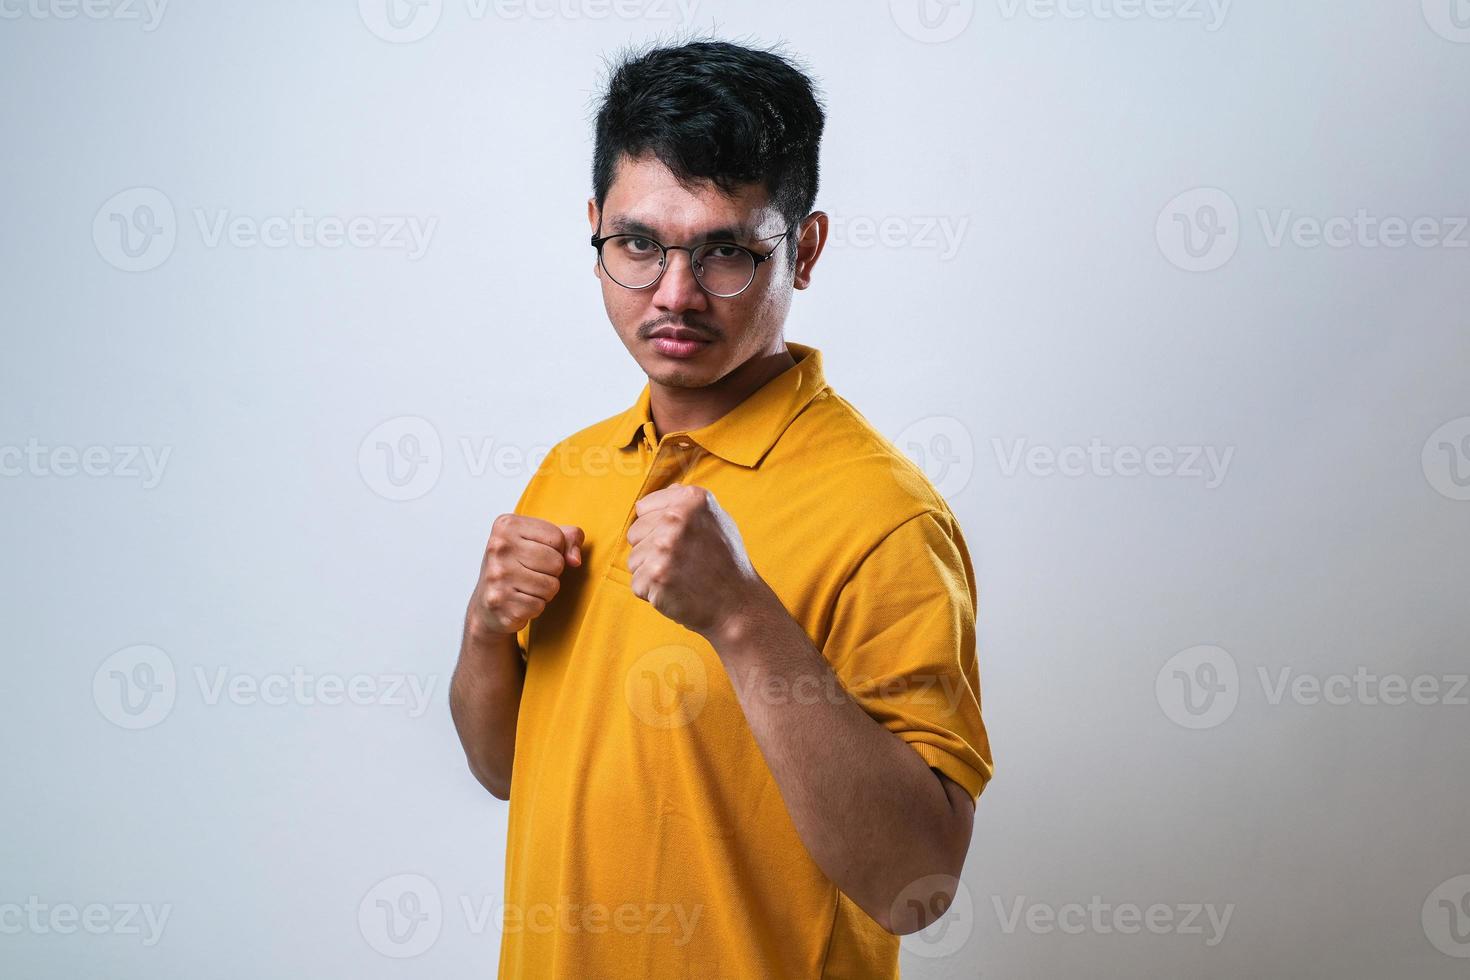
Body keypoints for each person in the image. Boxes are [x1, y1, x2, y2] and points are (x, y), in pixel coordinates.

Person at [449, 37, 993, 979]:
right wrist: (485, 629)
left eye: (726, 252)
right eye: (637, 244)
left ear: (805, 249)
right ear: (595, 230)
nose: (673, 295)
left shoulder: (887, 517)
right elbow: (506, 770)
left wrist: (744, 618)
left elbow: (918, 880)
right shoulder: (569, 470)